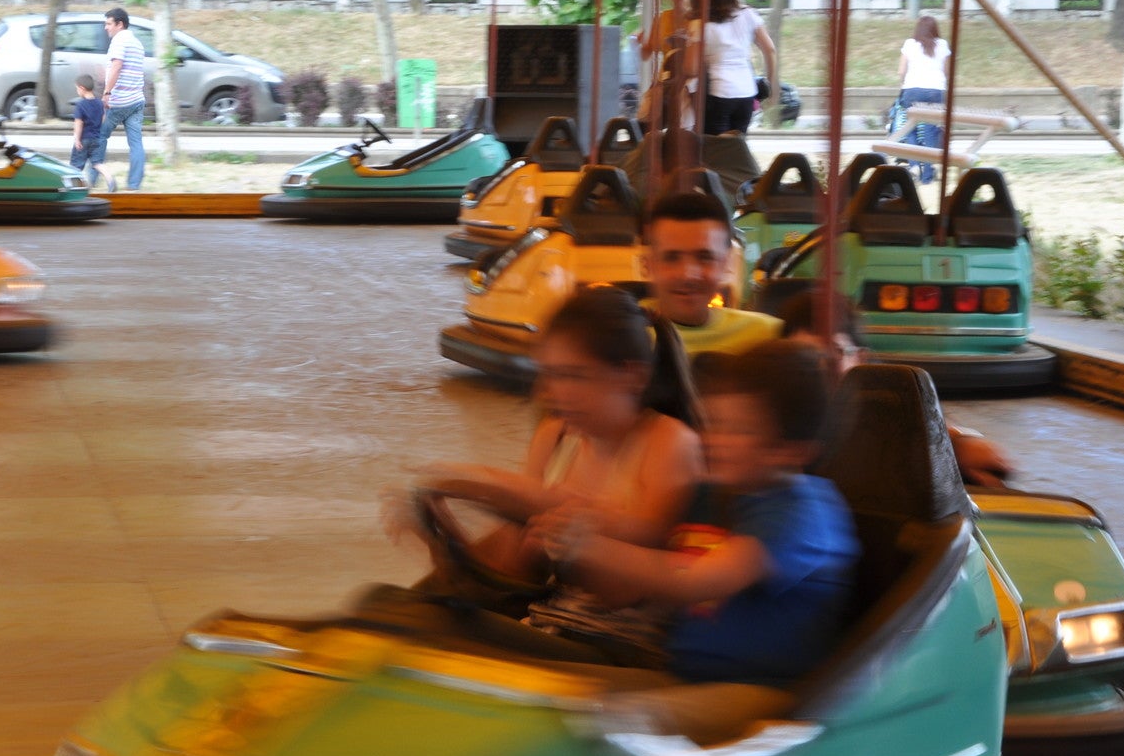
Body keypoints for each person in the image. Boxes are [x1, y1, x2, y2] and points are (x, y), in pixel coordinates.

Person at [534, 340, 859, 743]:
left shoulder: (803, 514)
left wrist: (587, 545)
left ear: (790, 451)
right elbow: (645, 586)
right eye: (714, 423)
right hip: (684, 678)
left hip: (759, 694)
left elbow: (691, 580)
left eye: (739, 430)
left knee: (602, 729)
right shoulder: (720, 497)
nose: (714, 439)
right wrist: (571, 541)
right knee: (539, 699)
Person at [387, 289, 702, 664]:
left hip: (619, 646)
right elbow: (514, 570)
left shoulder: (669, 443)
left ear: (631, 375)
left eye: (574, 376)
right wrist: (442, 533)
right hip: (550, 623)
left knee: (419, 631)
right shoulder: (556, 437)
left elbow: (629, 582)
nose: (554, 393)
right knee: (388, 609)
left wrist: (487, 489)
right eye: (549, 375)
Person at [770, 285, 1014, 489]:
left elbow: (926, 426)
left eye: (834, 352)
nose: (819, 367)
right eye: (804, 355)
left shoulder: (881, 401)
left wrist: (962, 443)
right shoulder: (770, 406)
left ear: (860, 358)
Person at [642, 190, 784, 357]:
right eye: (671, 258)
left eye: (704, 258)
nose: (688, 275)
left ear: (727, 263)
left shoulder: (768, 337)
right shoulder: (616, 335)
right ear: (647, 265)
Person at [687, 0, 777, 136]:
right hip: (746, 94)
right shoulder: (748, 14)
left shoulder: (699, 24)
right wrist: (771, 85)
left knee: (716, 152)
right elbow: (770, 49)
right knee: (737, 150)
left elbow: (691, 68)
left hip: (718, 94)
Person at [897, 16, 951, 183]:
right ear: (935, 29)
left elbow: (901, 71)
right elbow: (947, 72)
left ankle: (913, 166)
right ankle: (927, 175)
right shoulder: (942, 45)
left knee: (910, 128)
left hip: (912, 89)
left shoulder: (909, 44)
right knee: (930, 131)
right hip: (936, 91)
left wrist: (904, 85)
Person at [98, 7, 146, 192]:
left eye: (108, 23)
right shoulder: (137, 43)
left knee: (99, 137)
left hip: (118, 101)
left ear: (120, 24)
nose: (106, 28)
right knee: (136, 144)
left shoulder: (119, 41)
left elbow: (117, 66)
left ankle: (92, 179)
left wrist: (107, 93)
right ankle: (134, 185)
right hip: (136, 100)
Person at [69, 74, 112, 192]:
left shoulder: (80, 105)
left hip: (83, 139)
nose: (77, 91)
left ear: (82, 88)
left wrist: (77, 139)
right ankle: (110, 180)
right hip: (96, 138)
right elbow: (103, 118)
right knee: (97, 163)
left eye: (77, 88)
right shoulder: (99, 103)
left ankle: (73, 187)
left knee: (75, 165)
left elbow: (78, 123)